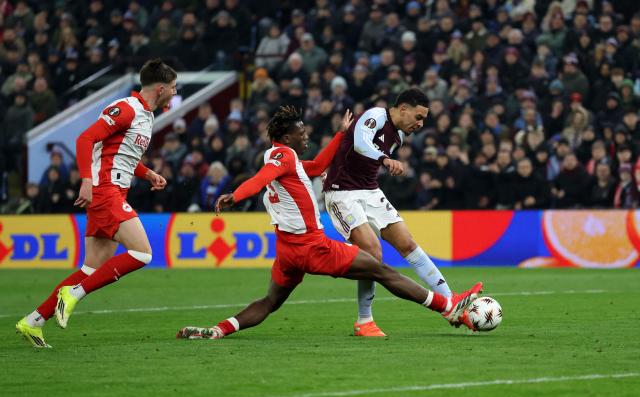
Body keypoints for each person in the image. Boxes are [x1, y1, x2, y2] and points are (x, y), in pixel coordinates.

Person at [177, 106, 482, 340]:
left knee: (270, 301)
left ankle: (217, 330)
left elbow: (320, 165)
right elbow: (259, 180)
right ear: (286, 138)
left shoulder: (287, 159)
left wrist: (341, 134)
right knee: (383, 270)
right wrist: (237, 195)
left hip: (287, 251)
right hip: (312, 246)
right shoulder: (282, 156)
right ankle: (447, 307)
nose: (305, 136)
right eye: (301, 133)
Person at [16, 59, 176, 348]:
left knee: (90, 270)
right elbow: (86, 139)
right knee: (143, 253)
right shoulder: (127, 108)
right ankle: (74, 294)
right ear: (161, 88)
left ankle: (34, 320)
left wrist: (148, 173)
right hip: (106, 191)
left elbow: (121, 154)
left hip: (114, 191)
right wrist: (87, 181)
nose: (175, 94)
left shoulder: (147, 116)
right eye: (174, 88)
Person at [322, 88, 477, 336]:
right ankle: (364, 321)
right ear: (403, 109)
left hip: (370, 191)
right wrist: (385, 159)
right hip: (342, 194)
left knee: (407, 242)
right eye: (418, 117)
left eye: (423, 119)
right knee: (372, 252)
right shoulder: (375, 115)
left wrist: (382, 159)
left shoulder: (399, 137)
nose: (420, 123)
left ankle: (451, 303)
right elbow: (361, 144)